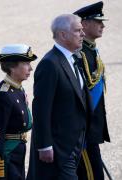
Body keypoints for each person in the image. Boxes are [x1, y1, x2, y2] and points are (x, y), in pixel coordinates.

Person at [26, 14, 92, 180]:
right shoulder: (50, 64)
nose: (83, 34)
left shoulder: (73, 58)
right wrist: (44, 145)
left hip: (75, 142)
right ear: (63, 35)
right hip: (58, 147)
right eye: (78, 30)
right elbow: (41, 108)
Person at [0, 44, 37, 179]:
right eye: (26, 63)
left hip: (17, 152)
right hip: (7, 155)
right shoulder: (3, 95)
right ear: (12, 66)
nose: (30, 68)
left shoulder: (17, 88)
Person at [73, 2, 110, 180]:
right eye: (98, 21)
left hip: (91, 128)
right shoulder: (80, 55)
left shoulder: (91, 51)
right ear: (85, 24)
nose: (103, 25)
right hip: (84, 130)